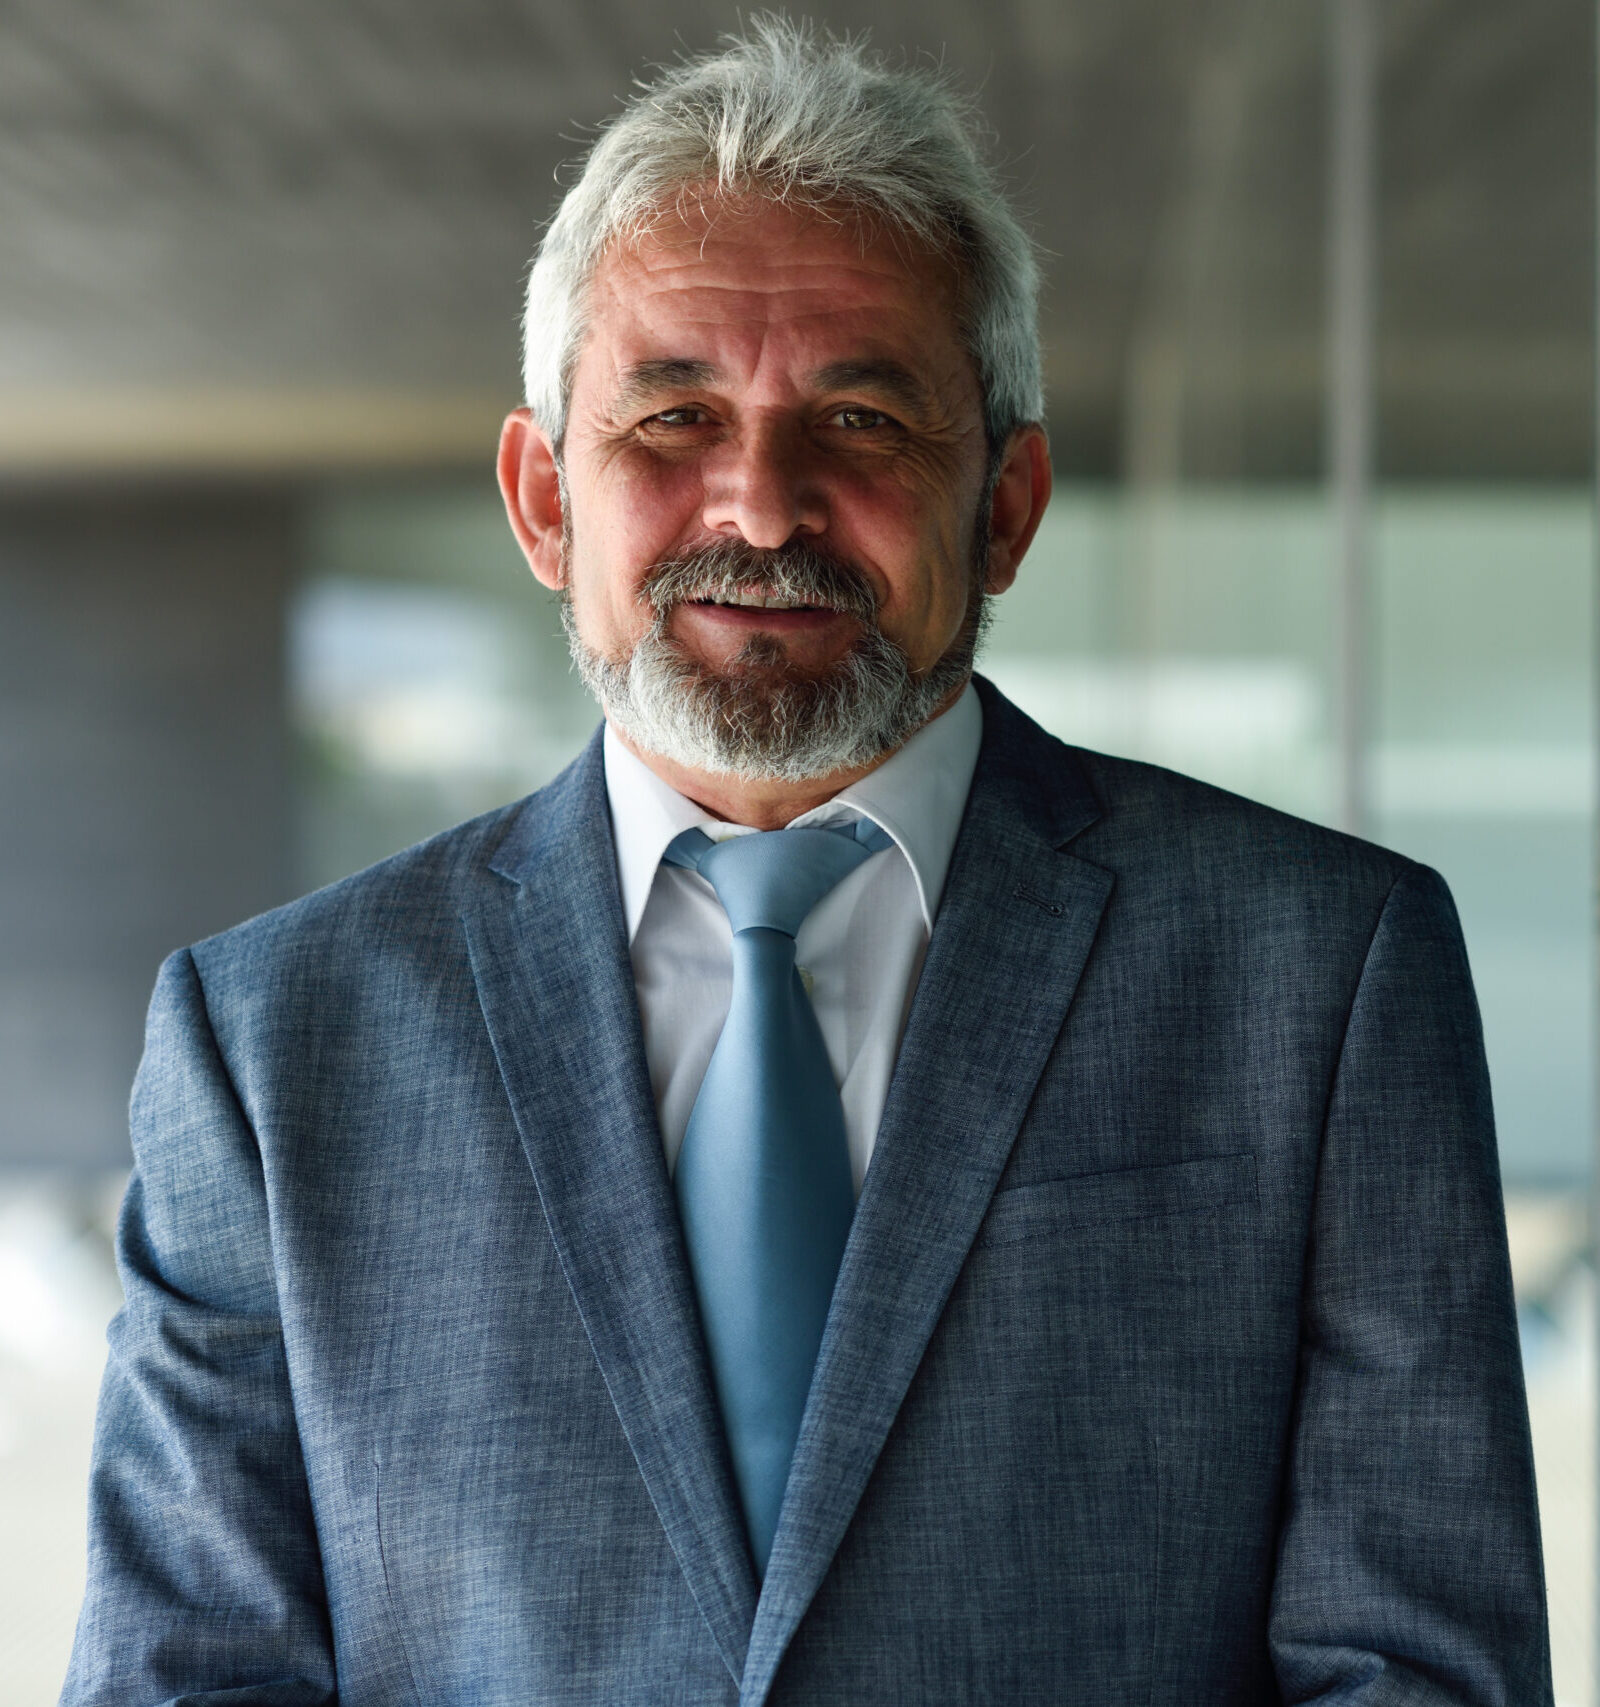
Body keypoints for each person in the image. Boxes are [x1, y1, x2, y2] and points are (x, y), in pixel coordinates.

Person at [64, 19, 1550, 1706]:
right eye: (673, 416)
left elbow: (1417, 1671)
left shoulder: (1323, 975)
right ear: (546, 495)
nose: (761, 507)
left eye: (859, 418)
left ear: (1005, 504)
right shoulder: (270, 1042)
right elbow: (188, 1678)